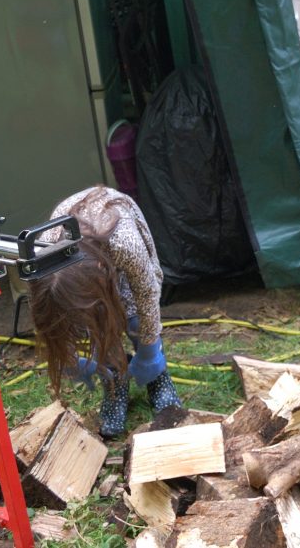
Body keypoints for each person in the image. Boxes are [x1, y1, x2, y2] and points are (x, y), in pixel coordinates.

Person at [28, 186, 181, 438]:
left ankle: (158, 377)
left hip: (120, 224)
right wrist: (69, 355)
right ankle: (114, 382)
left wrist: (149, 349)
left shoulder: (126, 245)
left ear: (100, 268)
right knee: (94, 320)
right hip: (84, 264)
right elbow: (49, 316)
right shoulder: (44, 254)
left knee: (133, 316)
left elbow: (147, 293)